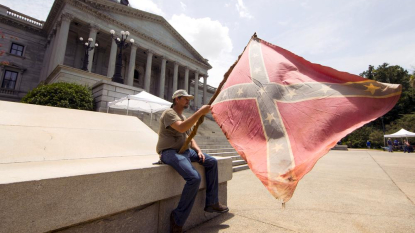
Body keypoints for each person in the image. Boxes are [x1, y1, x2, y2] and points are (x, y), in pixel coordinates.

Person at [156, 89, 229, 233]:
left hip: (185, 151)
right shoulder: (169, 113)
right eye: (185, 98)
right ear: (177, 99)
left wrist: (199, 151)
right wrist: (200, 112)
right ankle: (178, 217)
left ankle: (212, 202)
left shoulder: (182, 116)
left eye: (189, 99)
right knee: (194, 178)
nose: (188, 101)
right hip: (170, 152)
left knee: (211, 162)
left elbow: (190, 137)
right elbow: (182, 128)